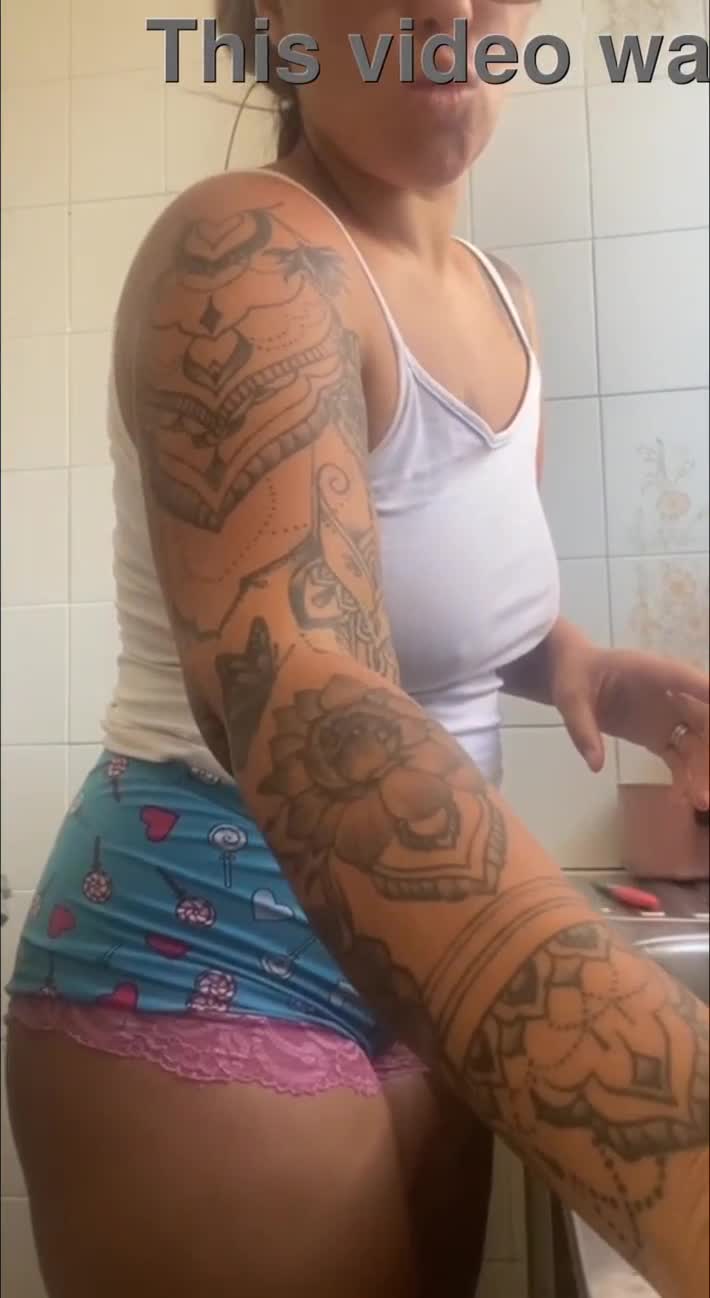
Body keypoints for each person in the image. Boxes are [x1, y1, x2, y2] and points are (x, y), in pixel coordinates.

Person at [5, 3, 709, 1296]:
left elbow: (416, 602)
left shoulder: (506, 303)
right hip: (207, 945)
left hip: (420, 963)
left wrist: (576, 667)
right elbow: (305, 696)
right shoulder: (245, 252)